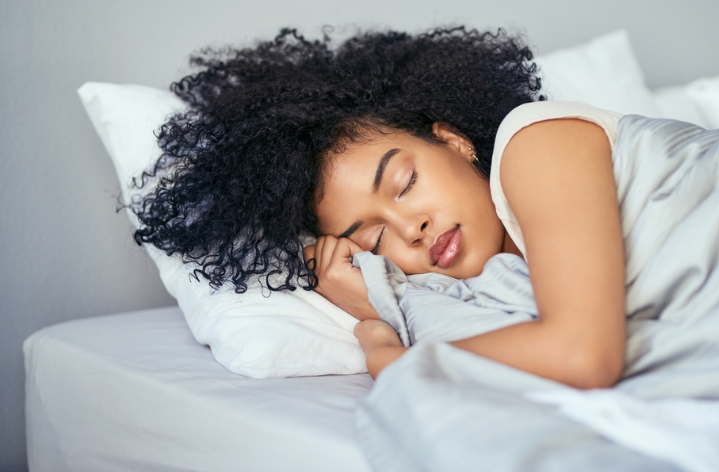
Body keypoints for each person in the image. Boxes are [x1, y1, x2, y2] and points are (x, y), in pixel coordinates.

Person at [131, 27, 629, 389]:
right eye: (374, 239)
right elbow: (542, 351)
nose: (410, 230)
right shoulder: (493, 287)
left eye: (405, 182)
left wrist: (384, 350)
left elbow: (582, 359)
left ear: (454, 141)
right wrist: (378, 307)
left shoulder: (538, 143)